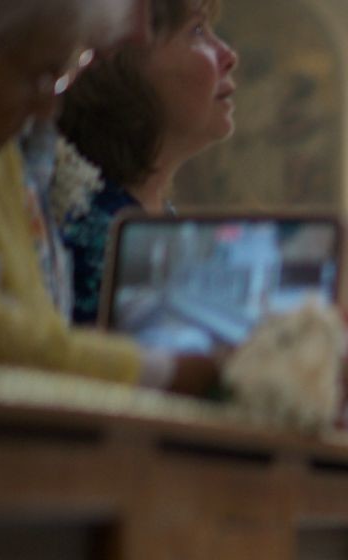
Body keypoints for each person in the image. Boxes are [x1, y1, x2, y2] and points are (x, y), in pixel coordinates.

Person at [0, 0, 219, 393]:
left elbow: (35, 326)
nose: (46, 105)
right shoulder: (93, 222)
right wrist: (182, 374)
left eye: (58, 75)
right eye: (34, 74)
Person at [55, 0, 238, 324]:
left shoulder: (151, 217)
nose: (228, 55)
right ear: (116, 65)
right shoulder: (95, 240)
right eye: (196, 30)